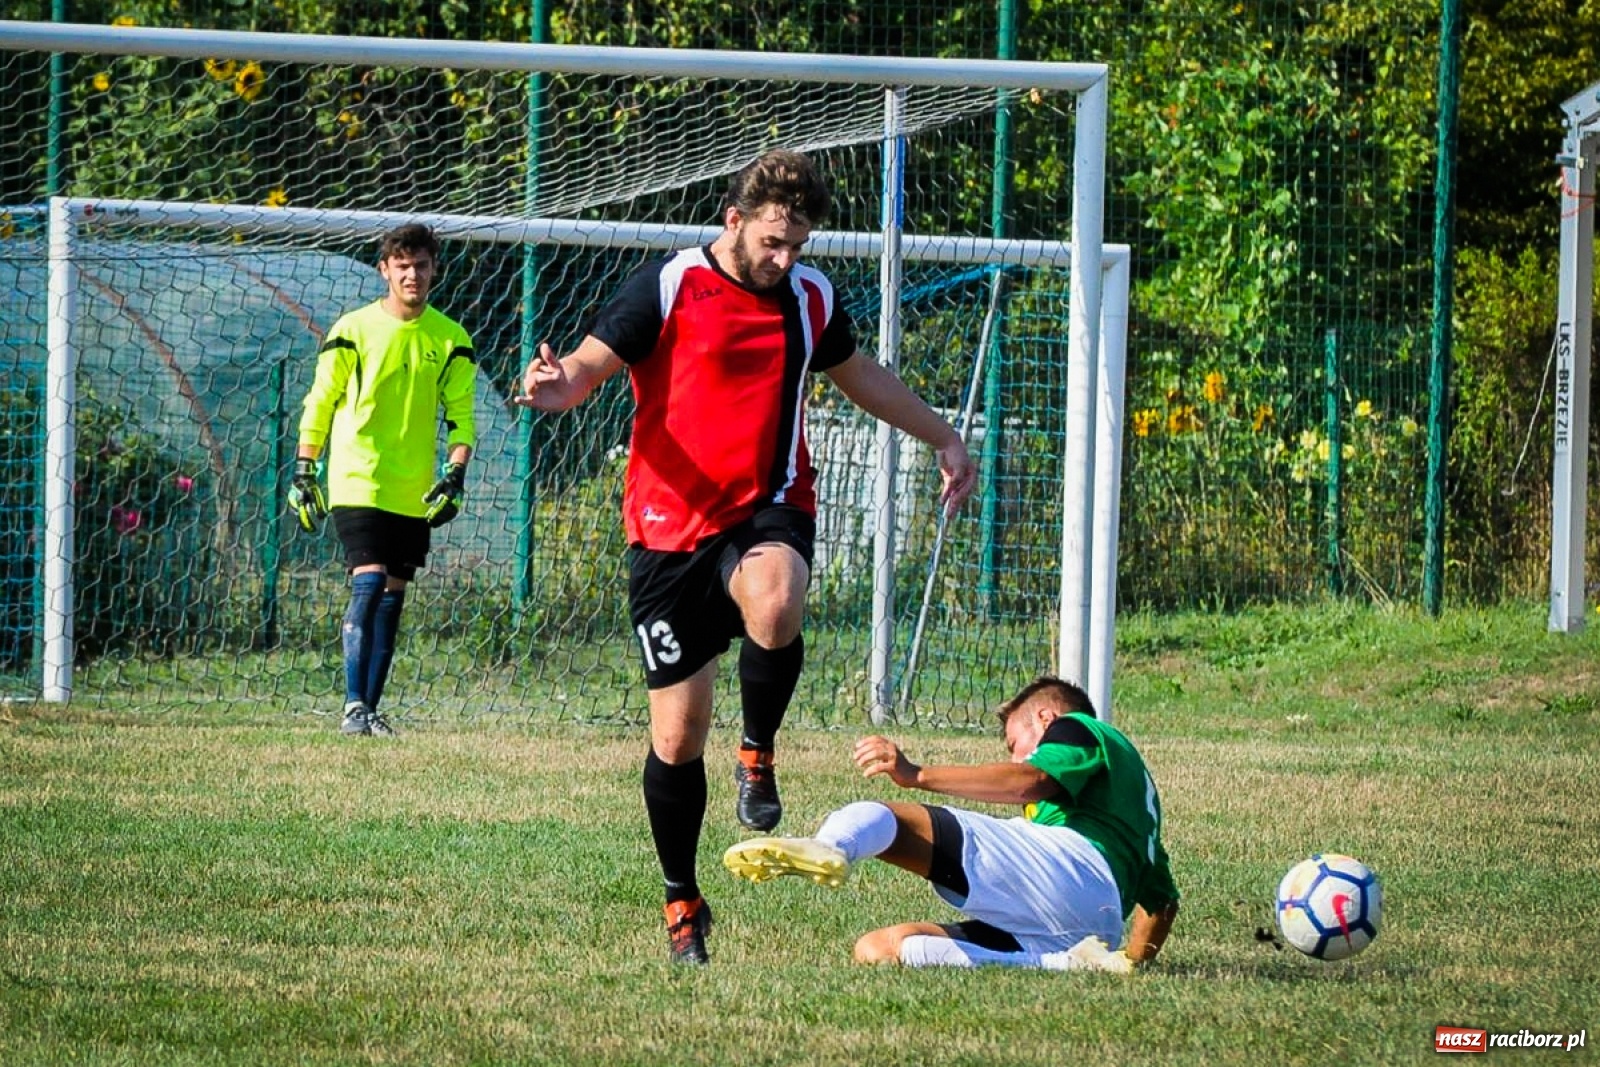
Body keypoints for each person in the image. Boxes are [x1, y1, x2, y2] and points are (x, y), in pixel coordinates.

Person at [513, 148, 977, 965]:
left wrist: (941, 434)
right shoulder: (670, 285)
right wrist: (561, 385)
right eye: (772, 240)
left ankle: (757, 753)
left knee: (777, 596)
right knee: (677, 737)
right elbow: (591, 360)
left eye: (798, 242)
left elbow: (857, 372)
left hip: (767, 503)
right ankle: (682, 897)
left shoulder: (809, 297)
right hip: (666, 531)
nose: (785, 257)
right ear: (734, 221)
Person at [723, 675, 1180, 971]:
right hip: (1092, 928)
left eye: (1014, 741)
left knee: (890, 819)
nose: (1016, 754)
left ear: (1046, 717)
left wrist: (917, 776)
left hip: (1071, 871)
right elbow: (1162, 906)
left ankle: (832, 845)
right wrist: (1134, 965)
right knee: (881, 949)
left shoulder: (1078, 727)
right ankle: (1067, 965)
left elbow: (1032, 780)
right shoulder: (1139, 814)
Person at [288, 222, 477, 738]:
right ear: (384, 271)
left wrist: (454, 474)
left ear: (434, 269)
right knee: (368, 582)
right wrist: (306, 469)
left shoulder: (452, 339)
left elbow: (461, 417)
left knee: (393, 594)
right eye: (402, 265)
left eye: (420, 265)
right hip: (357, 478)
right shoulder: (352, 329)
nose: (412, 274)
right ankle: (353, 706)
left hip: (412, 487)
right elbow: (320, 400)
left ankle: (369, 710)